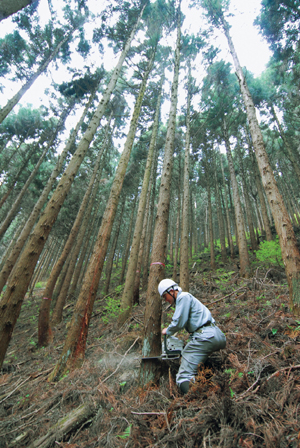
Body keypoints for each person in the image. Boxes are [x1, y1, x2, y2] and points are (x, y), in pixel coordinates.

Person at [158, 279, 226, 394]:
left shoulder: (183, 297)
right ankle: (210, 385)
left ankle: (199, 399)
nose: (166, 300)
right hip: (215, 334)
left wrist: (168, 330)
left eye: (165, 296)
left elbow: (179, 322)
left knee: (183, 377)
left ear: (171, 291)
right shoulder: (186, 298)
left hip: (205, 336)